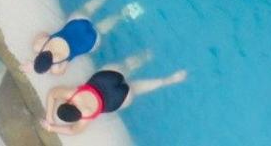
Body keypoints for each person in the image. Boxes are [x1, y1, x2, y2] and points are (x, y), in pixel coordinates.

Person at [42, 51, 188, 136]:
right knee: (127, 65)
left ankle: (168, 80)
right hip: (106, 79)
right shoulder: (71, 94)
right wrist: (49, 116)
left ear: (77, 116)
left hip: (116, 99)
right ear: (68, 103)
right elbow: (52, 94)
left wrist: (51, 128)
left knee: (136, 88)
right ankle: (149, 54)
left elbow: (72, 131)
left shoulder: (85, 117)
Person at [30, 0, 128, 76]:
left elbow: (61, 72)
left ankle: (123, 14)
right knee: (87, 8)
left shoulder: (56, 67)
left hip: (89, 41)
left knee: (101, 29)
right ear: (38, 57)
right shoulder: (39, 45)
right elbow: (43, 34)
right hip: (77, 25)